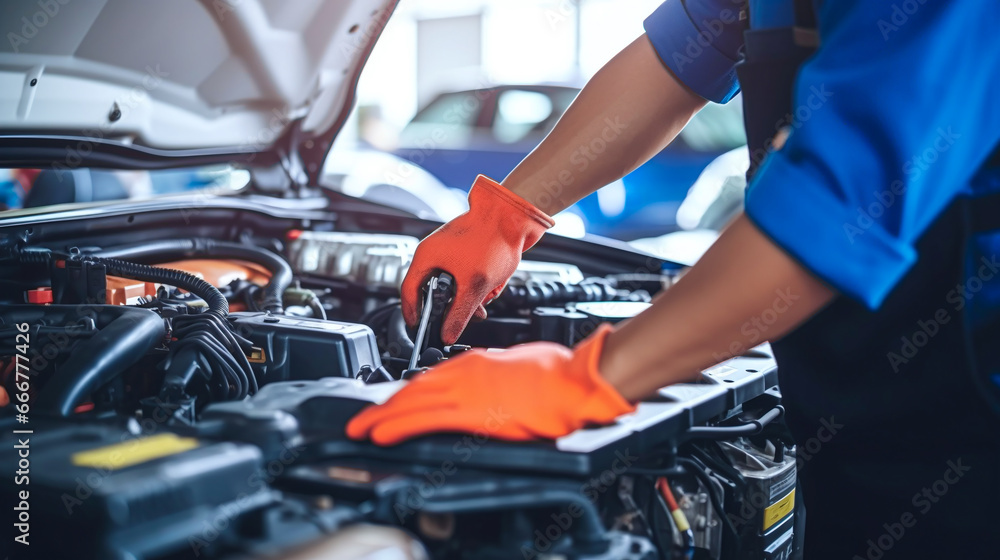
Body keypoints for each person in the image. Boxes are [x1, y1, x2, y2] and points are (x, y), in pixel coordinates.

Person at [348, 0, 1000, 557]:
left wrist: (590, 379)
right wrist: (505, 216)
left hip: (969, 409)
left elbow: (841, 206)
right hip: (854, 387)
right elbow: (679, 58)